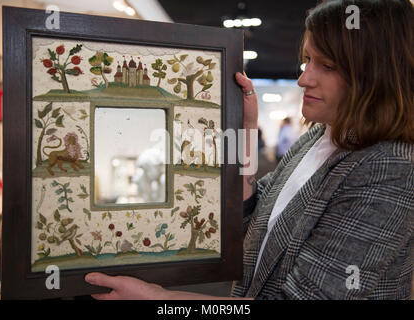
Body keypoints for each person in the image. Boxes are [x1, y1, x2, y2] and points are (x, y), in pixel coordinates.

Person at [85, 0, 414, 299]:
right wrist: (244, 129)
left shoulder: (389, 167)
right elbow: (248, 221)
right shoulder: (322, 136)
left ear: (376, 73)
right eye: (307, 61)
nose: (304, 79)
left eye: (326, 66)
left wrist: (158, 299)